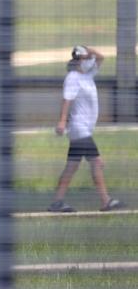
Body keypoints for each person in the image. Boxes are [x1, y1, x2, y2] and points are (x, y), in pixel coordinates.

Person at [49, 45, 123, 213]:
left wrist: (89, 51)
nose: (86, 61)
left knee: (72, 166)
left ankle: (57, 202)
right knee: (96, 162)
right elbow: (66, 100)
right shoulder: (73, 77)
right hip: (79, 128)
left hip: (83, 130)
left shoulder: (88, 76)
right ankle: (106, 201)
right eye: (82, 59)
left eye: (85, 58)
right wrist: (61, 122)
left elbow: (101, 57)